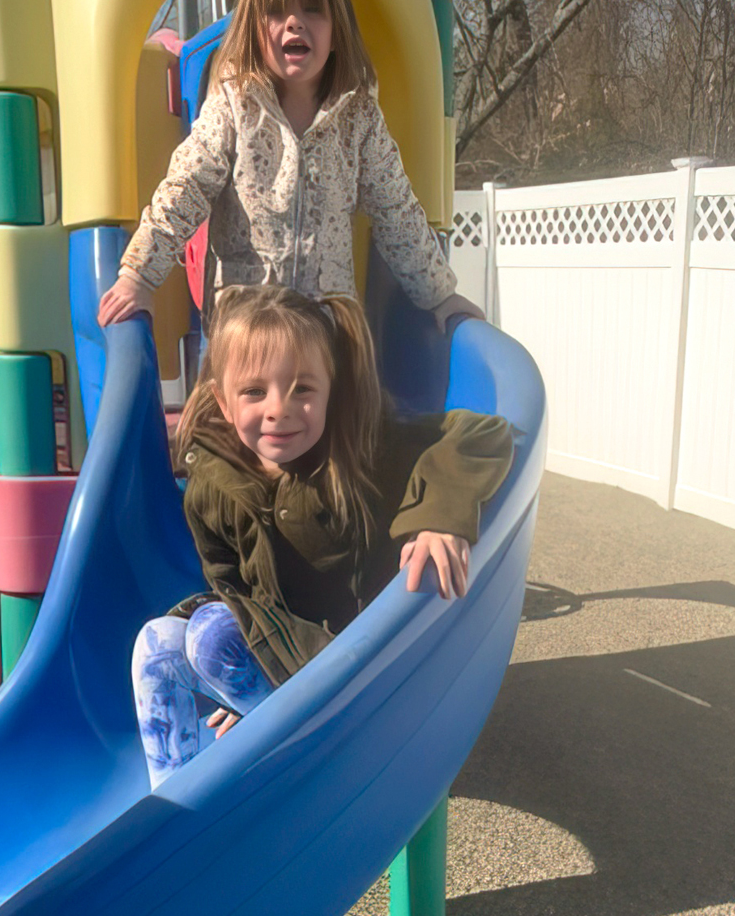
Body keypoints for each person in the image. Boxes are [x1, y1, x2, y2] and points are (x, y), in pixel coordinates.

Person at [131, 286, 513, 787]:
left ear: (331, 390)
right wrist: (244, 686)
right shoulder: (211, 481)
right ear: (223, 403)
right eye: (254, 392)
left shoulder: (358, 453)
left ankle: (311, 763)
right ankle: (173, 799)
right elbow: (232, 585)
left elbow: (481, 435)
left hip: (348, 668)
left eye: (303, 390)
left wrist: (437, 517)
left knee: (212, 633)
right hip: (283, 662)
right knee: (156, 643)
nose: (279, 410)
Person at [97, 0, 480, 331]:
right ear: (253, 31)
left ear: (336, 33)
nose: (294, 22)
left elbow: (396, 211)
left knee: (337, 379)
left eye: (313, 10)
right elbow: (185, 187)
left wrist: (440, 296)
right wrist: (138, 276)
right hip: (246, 324)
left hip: (324, 326)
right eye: (276, 12)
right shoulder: (235, 105)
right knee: (240, 385)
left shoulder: (358, 118)